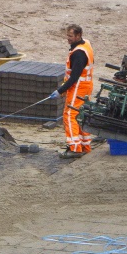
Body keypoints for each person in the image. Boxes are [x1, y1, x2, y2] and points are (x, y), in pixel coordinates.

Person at [50, 24, 94, 159]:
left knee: (70, 115)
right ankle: (85, 146)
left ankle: (75, 148)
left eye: (70, 36)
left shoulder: (79, 54)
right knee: (81, 115)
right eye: (67, 35)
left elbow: (74, 77)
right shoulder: (86, 44)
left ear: (78, 36)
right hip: (86, 85)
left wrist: (60, 90)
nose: (67, 38)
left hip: (79, 87)